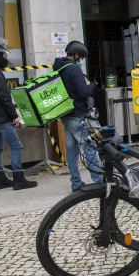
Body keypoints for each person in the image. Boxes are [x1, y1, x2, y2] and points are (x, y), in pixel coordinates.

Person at [0, 39, 37, 190]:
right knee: (17, 146)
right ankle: (19, 179)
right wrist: (14, 116)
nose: (4, 58)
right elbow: (4, 97)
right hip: (2, 118)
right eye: (2, 54)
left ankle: (0, 179)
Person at [53, 41, 102, 191]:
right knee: (90, 148)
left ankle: (76, 183)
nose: (81, 61)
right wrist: (93, 84)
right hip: (78, 115)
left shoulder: (59, 68)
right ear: (76, 55)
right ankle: (98, 181)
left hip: (66, 115)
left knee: (71, 151)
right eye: (81, 58)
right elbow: (84, 93)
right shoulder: (73, 69)